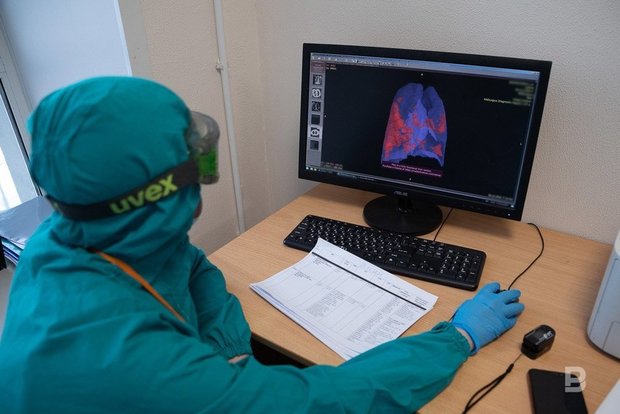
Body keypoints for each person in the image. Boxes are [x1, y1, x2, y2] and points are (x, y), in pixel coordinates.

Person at [0, 77, 524, 413]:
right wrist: (457, 337)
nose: (203, 173)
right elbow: (327, 403)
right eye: (192, 161)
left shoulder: (66, 235)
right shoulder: (147, 371)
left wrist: (229, 353)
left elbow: (185, 263)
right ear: (156, 197)